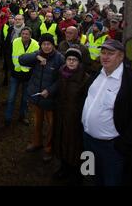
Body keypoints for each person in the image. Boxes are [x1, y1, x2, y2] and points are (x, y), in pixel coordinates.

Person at [81, 39, 132, 186]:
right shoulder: (97, 75)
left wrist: (123, 145)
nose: (105, 56)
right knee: (89, 175)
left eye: (111, 53)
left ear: (121, 56)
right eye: (103, 52)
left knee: (111, 181)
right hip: (87, 141)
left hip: (111, 148)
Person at [19, 33, 65, 162]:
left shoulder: (59, 58)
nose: (46, 47)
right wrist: (36, 56)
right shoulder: (37, 55)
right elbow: (21, 59)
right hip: (36, 97)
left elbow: (62, 79)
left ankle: (49, 149)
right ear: (41, 45)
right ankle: (36, 142)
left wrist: (50, 90)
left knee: (51, 126)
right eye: (44, 44)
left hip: (50, 99)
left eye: (49, 44)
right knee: (37, 123)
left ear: (53, 45)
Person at [53, 48, 90, 183]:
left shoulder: (85, 79)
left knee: (74, 145)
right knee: (61, 140)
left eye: (74, 60)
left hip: (75, 118)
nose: (71, 62)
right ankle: (63, 167)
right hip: (61, 114)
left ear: (79, 62)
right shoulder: (61, 73)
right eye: (69, 59)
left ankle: (75, 171)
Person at [4, 27, 39, 127]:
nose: (24, 36)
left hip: (28, 76)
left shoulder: (35, 44)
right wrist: (12, 69)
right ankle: (8, 118)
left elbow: (36, 61)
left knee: (25, 98)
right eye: (23, 33)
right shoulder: (15, 42)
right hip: (16, 74)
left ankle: (22, 116)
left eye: (27, 34)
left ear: (30, 35)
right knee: (11, 98)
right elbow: (9, 56)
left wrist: (31, 72)